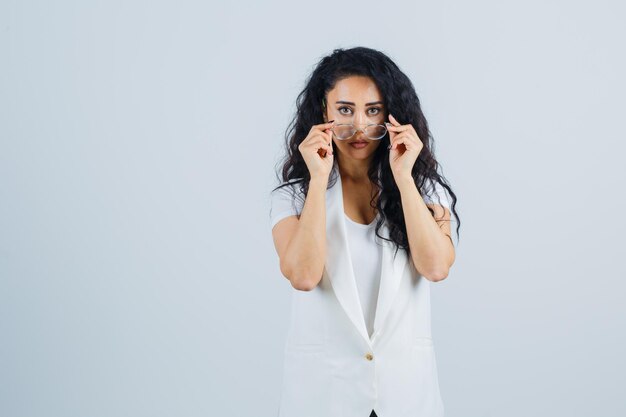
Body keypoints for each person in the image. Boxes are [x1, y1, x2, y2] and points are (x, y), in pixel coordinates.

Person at [269, 46, 460, 417]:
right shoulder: (293, 197)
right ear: (323, 111)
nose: (359, 126)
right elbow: (304, 276)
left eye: (373, 110)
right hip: (324, 396)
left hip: (405, 395)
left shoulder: (425, 190)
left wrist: (405, 178)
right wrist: (319, 179)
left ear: (391, 115)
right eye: (344, 109)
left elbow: (436, 267)